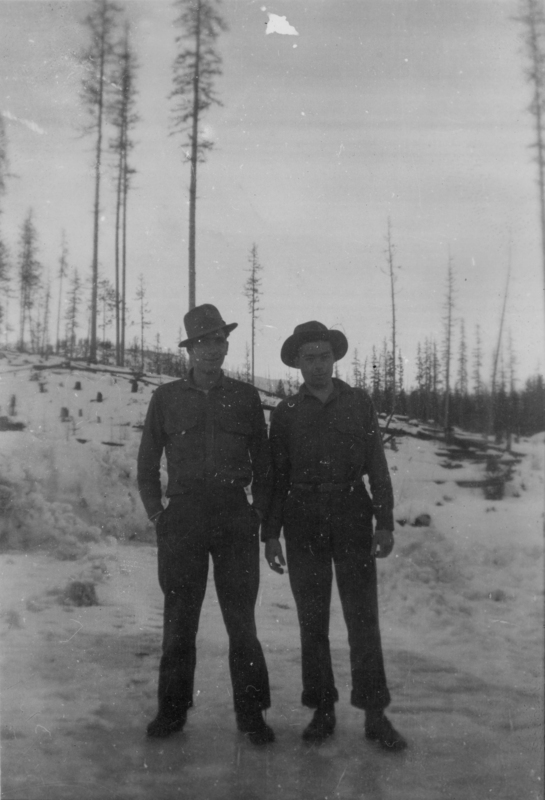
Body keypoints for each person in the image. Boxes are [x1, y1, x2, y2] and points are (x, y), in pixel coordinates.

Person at [262, 321, 407, 751]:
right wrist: (271, 535)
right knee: (313, 620)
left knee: (363, 618)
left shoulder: (359, 403)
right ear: (297, 363)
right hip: (302, 517)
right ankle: (322, 710)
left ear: (334, 358)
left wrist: (384, 521)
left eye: (325, 356)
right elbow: (276, 476)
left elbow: (377, 466)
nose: (318, 365)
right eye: (309, 358)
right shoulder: (286, 413)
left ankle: (375, 713)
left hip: (351, 514)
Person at [137, 304, 274, 745]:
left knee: (242, 622)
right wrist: (157, 511)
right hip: (183, 519)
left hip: (235, 518)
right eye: (201, 342)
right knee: (179, 621)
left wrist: (256, 511)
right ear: (189, 350)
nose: (210, 350)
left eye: (217, 340)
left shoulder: (247, 398)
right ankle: (171, 713)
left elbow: (265, 464)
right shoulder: (166, 398)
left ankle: (252, 715)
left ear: (226, 345)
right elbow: (146, 461)